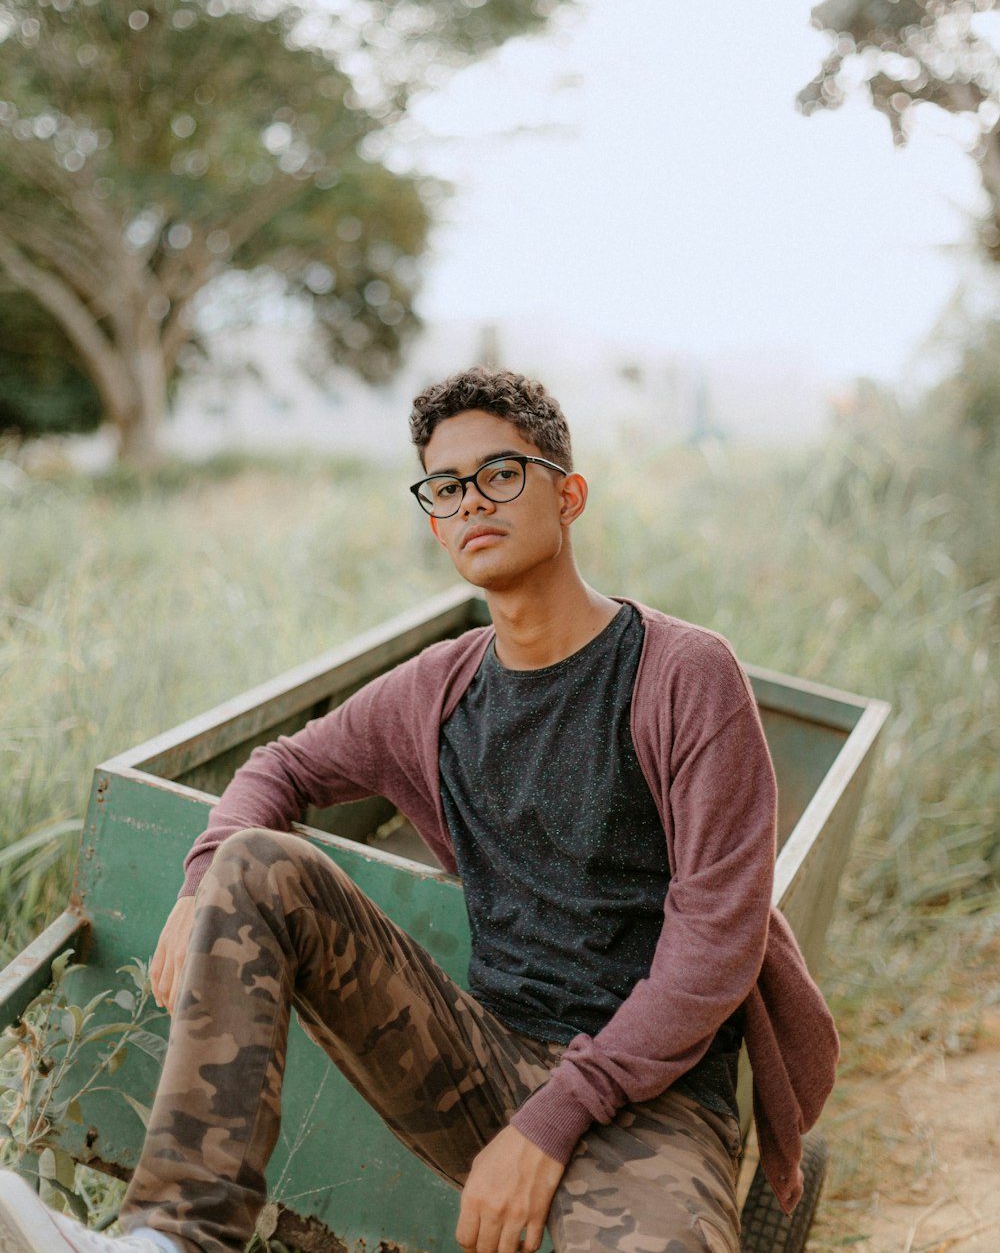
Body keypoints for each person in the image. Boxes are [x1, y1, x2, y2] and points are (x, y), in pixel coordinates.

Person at [0, 367, 838, 1253]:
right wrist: (200, 880)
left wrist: (550, 1126)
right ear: (435, 521)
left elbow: (714, 941)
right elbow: (278, 765)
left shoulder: (683, 674)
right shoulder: (439, 691)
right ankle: (171, 1241)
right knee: (256, 864)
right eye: (446, 487)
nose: (472, 500)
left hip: (655, 1098)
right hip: (483, 1057)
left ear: (569, 494)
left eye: (501, 473)